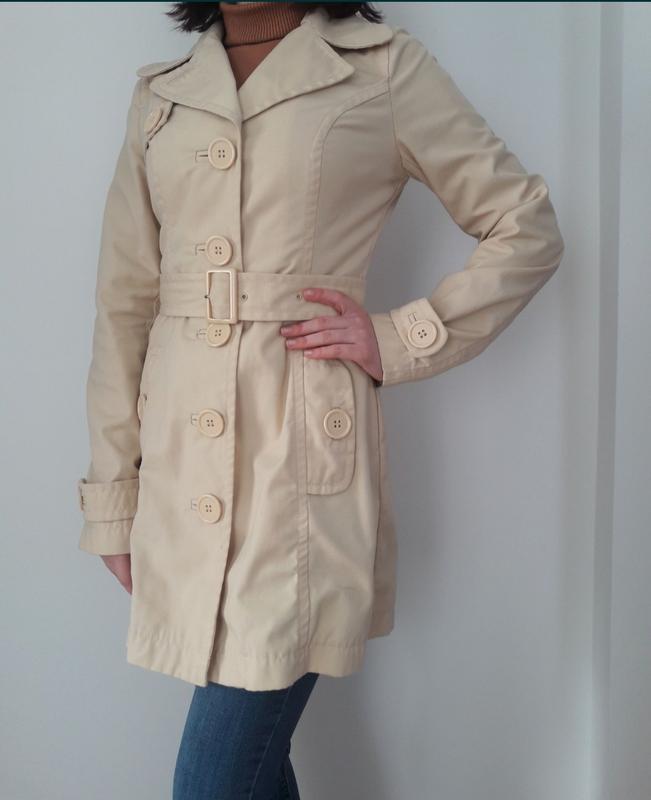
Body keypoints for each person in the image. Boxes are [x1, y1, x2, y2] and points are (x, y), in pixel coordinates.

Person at [76, 2, 565, 797]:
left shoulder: (381, 69)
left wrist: (402, 337)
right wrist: (113, 495)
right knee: (250, 769)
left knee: (212, 780)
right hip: (180, 471)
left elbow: (525, 223)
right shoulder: (162, 92)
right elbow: (123, 304)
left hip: (297, 468)